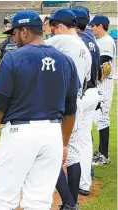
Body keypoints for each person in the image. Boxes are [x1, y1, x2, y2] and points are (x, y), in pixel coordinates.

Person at [0, 10, 80, 210]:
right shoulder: (66, 61)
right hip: (52, 134)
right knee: (39, 201)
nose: (13, 37)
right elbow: (71, 111)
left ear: (24, 31)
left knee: (1, 198)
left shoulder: (13, 58)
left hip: (20, 134)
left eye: (14, 33)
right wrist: (63, 144)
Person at [45, 9, 92, 206]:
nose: (52, 32)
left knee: (50, 153)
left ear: (61, 27)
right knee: (72, 153)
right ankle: (72, 203)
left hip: (61, 103)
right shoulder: (84, 48)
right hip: (77, 103)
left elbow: (33, 44)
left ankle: (68, 202)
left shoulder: (63, 40)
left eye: (54, 29)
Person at [71, 8, 100, 198]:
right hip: (94, 91)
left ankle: (77, 181)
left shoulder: (76, 41)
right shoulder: (91, 39)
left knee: (75, 140)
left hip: (82, 94)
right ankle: (85, 182)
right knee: (85, 140)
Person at [91, 15, 116, 166]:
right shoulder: (98, 40)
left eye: (93, 25)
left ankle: (104, 155)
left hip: (104, 84)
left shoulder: (106, 41)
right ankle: (100, 152)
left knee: (102, 118)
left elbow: (103, 61)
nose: (92, 28)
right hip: (98, 84)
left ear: (100, 26)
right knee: (96, 118)